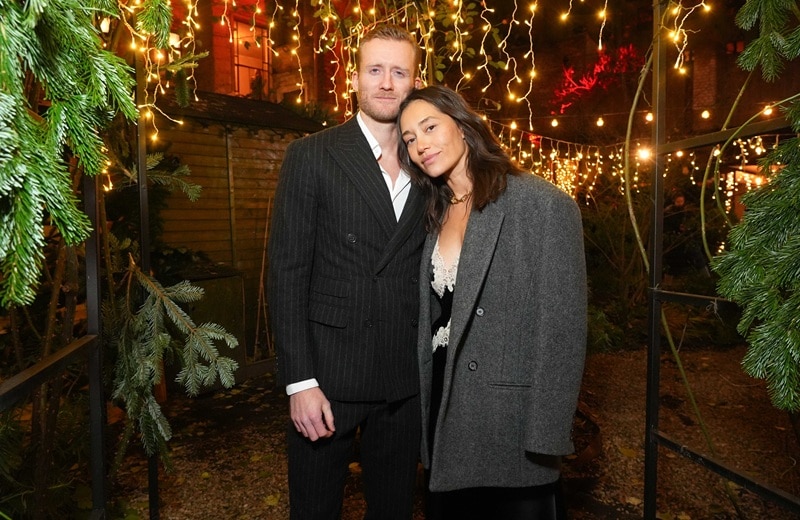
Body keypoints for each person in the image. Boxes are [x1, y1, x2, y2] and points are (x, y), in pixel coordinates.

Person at [397, 85, 587, 520]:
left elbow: (563, 331)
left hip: (508, 419)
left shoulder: (541, 205)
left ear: (463, 127)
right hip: (444, 405)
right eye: (409, 138)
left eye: (430, 127)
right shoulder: (434, 210)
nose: (420, 144)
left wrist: (545, 435)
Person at [267, 25, 425, 520]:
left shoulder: (429, 162)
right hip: (329, 375)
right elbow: (286, 273)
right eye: (375, 70)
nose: (386, 83)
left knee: (395, 510)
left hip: (403, 377)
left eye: (399, 72)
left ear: (416, 81)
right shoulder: (312, 154)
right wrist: (299, 383)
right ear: (354, 78)